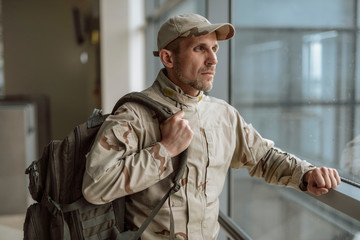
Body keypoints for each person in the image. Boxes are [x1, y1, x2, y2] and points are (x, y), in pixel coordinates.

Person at [82, 13, 341, 240]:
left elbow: (262, 157)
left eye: (214, 49)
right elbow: (95, 187)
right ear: (168, 58)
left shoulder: (223, 115)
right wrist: (165, 149)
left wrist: (307, 175)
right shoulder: (135, 114)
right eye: (199, 49)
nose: (213, 60)